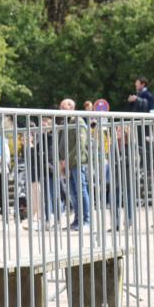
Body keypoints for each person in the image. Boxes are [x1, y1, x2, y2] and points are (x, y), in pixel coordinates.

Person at [57, 98, 91, 230]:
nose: (60, 109)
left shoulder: (78, 120)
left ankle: (86, 220)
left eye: (63, 106)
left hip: (77, 161)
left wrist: (67, 160)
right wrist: (61, 160)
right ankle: (77, 220)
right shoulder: (64, 122)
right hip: (67, 163)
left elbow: (80, 144)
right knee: (72, 193)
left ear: (71, 108)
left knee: (81, 190)